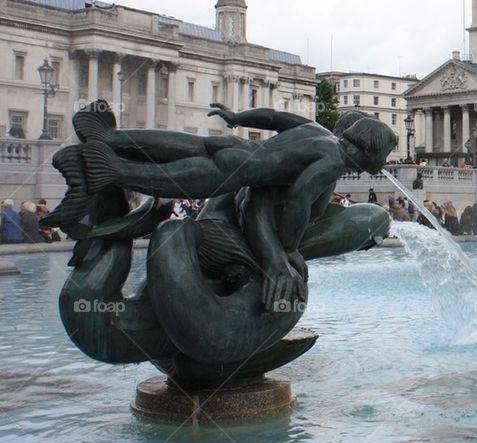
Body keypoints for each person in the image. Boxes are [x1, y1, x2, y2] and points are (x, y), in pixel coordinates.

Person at [44, 102, 397, 311]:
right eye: (382, 156)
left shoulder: (317, 130)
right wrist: (286, 250)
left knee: (188, 144)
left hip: (235, 148)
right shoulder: (333, 160)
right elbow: (298, 198)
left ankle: (109, 138)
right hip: (235, 172)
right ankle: (107, 171)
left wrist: (237, 117)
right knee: (154, 177)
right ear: (369, 151)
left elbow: (273, 117)